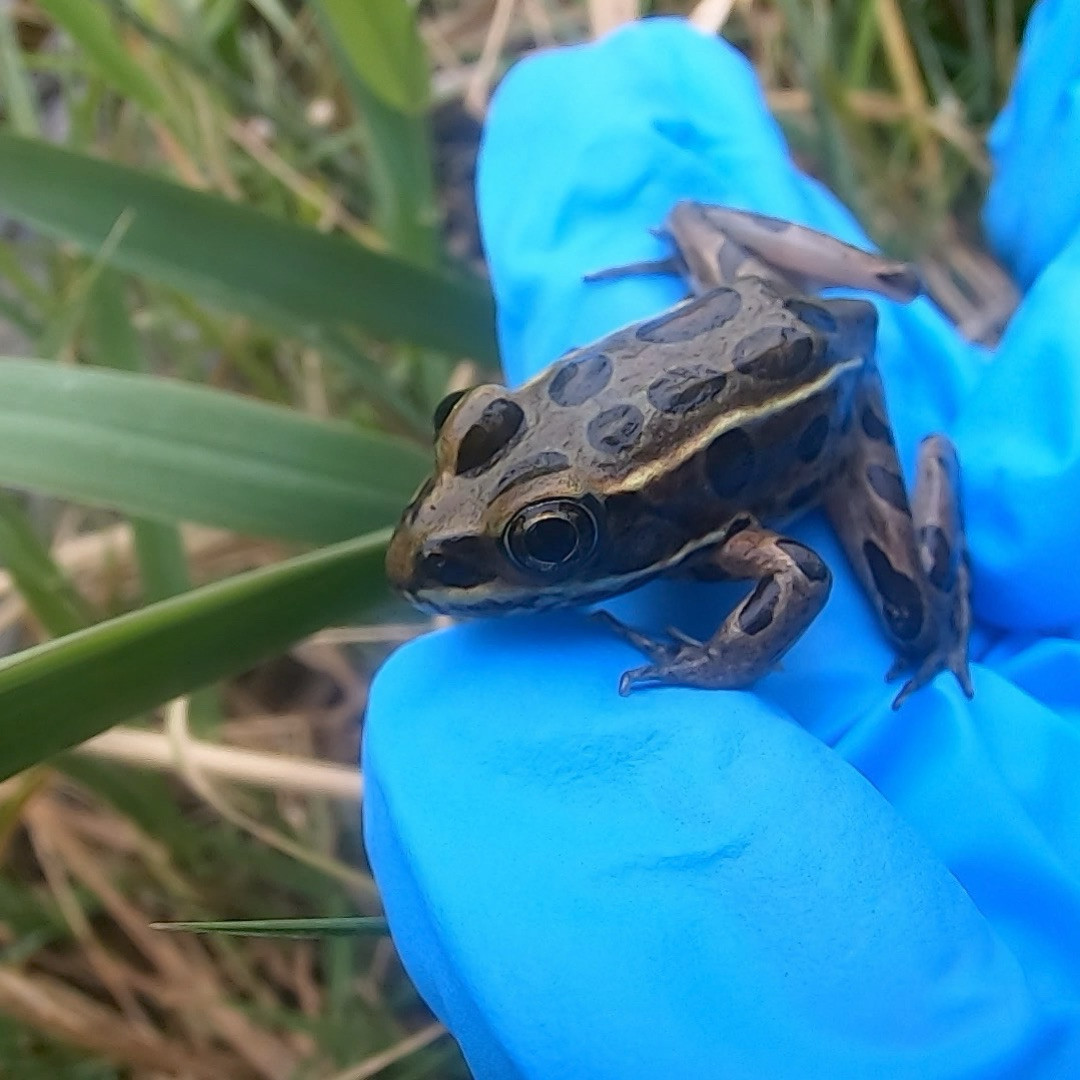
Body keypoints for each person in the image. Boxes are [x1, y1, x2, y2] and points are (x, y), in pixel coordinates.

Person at [364, 8, 1080, 1076]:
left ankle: (937, 473)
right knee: (691, 218)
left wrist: (723, 659)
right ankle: (709, 241)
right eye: (476, 428)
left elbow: (794, 569)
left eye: (548, 539)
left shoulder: (709, 529)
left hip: (833, 417)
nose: (443, 538)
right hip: (750, 303)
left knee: (912, 623)